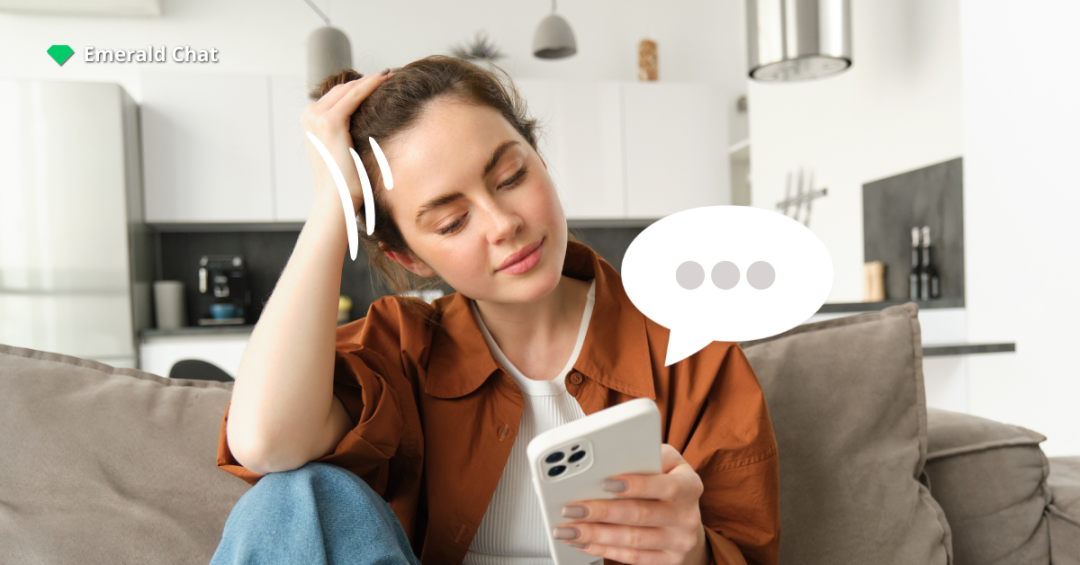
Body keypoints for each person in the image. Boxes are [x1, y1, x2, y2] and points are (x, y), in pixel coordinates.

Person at [212, 56, 780, 565]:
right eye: (452, 222)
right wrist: (330, 205)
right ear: (410, 257)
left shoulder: (694, 352)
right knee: (296, 495)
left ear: (541, 158)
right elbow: (266, 443)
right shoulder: (402, 348)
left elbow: (750, 551)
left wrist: (692, 552)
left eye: (512, 176)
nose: (503, 223)